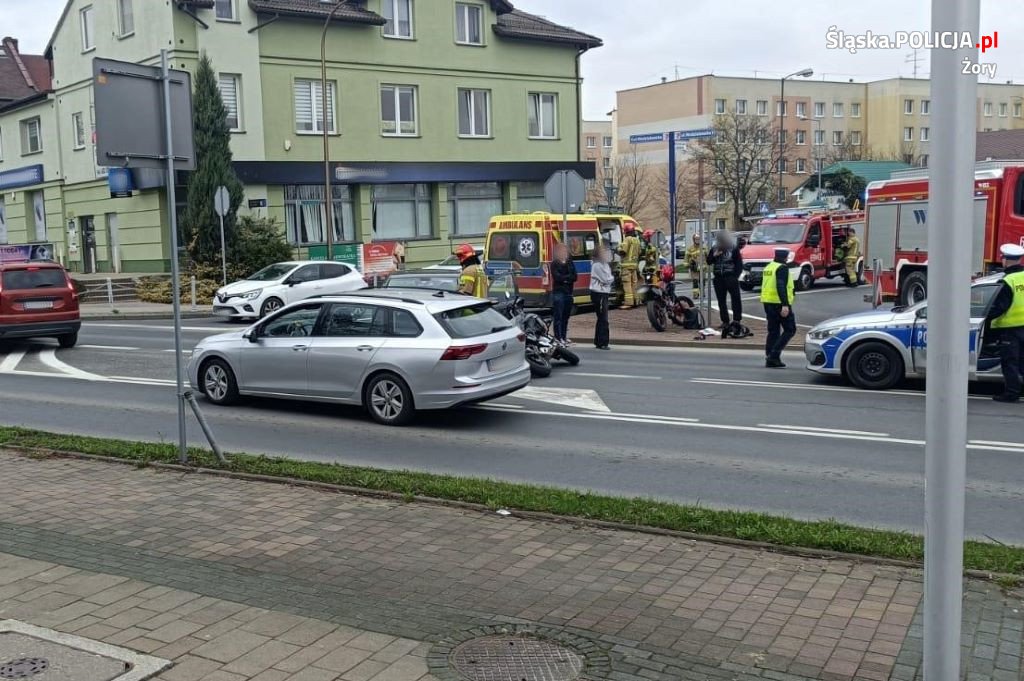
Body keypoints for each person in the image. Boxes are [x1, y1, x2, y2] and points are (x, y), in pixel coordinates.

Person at [985, 243, 1024, 402]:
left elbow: (999, 307)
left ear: (1005, 260)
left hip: (1010, 329)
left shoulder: (1007, 281)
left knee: (1010, 362)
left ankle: (1012, 393)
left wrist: (987, 318)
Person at [761, 247, 796, 368]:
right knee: (790, 329)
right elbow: (780, 286)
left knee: (773, 331)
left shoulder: (769, 267)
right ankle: (774, 355)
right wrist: (785, 304)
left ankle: (770, 356)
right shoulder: (782, 268)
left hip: (767, 302)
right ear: (785, 257)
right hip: (779, 303)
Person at [706, 230, 743, 328]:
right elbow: (708, 261)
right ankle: (725, 321)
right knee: (721, 301)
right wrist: (715, 255)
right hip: (718, 277)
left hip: (730, 276)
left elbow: (739, 264)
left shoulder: (733, 248)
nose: (721, 241)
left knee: (735, 299)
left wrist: (735, 276)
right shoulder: (715, 248)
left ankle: (736, 320)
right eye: (719, 239)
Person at [550, 243, 577, 346]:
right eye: (562, 251)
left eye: (565, 251)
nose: (564, 252)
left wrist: (565, 279)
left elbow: (575, 276)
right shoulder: (554, 263)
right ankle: (558, 338)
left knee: (566, 316)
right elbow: (557, 277)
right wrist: (567, 279)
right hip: (559, 293)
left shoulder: (570, 262)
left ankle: (564, 337)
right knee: (558, 316)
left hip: (569, 292)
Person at [589, 245, 614, 350]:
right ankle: (603, 342)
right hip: (599, 293)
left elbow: (609, 278)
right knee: (603, 318)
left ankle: (599, 341)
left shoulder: (605, 265)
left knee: (602, 318)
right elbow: (606, 279)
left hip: (604, 292)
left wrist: (610, 278)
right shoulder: (597, 265)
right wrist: (611, 278)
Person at [618, 224, 642, 307]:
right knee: (634, 284)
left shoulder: (627, 239)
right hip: (634, 266)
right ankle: (636, 301)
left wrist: (617, 249)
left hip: (626, 266)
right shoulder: (637, 240)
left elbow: (623, 251)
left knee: (627, 284)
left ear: (626, 231)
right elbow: (639, 252)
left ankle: (628, 303)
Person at [684, 233, 705, 299]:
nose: (697, 240)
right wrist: (687, 265)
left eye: (698, 239)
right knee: (695, 281)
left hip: (702, 268)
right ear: (693, 240)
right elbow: (686, 258)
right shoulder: (690, 249)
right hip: (694, 268)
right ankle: (695, 294)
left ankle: (702, 292)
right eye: (696, 239)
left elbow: (708, 257)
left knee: (702, 281)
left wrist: (707, 264)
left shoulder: (704, 248)